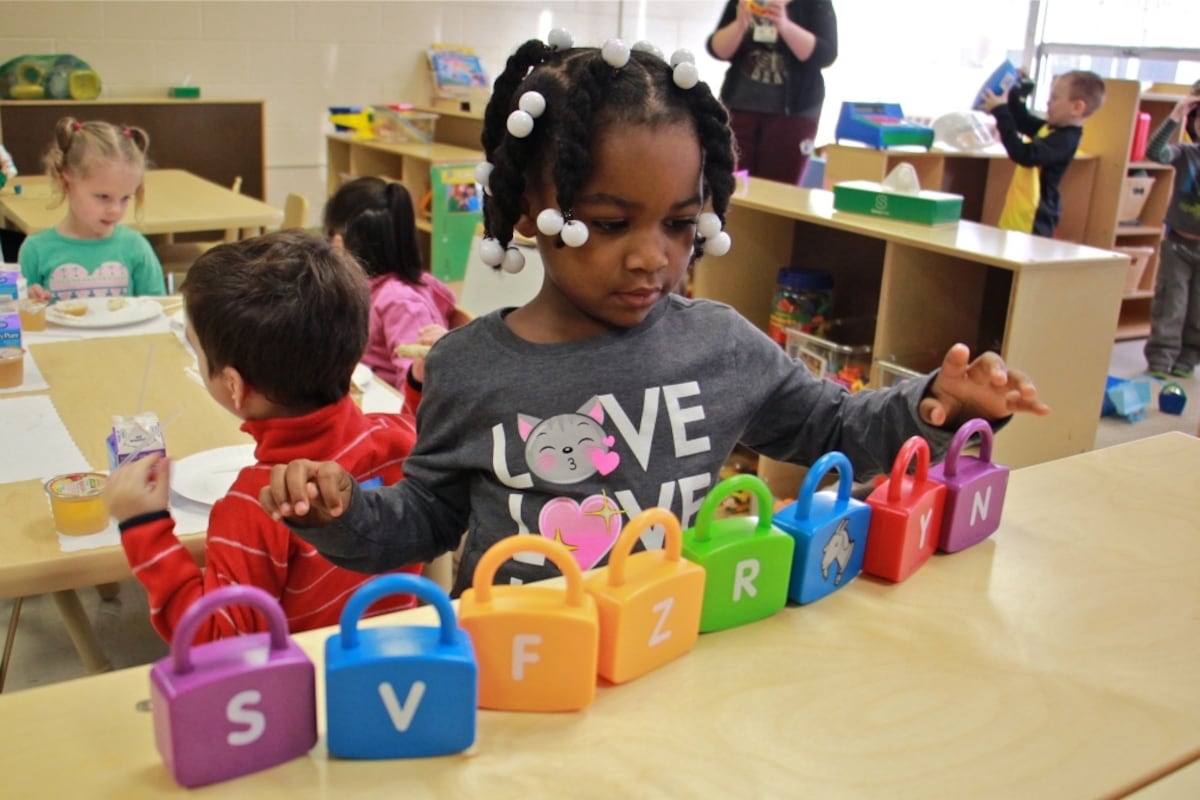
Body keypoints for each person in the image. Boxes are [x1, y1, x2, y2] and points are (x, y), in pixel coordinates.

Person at [258, 31, 1049, 596]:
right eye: (609, 224)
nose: (652, 258)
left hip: (671, 648)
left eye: (679, 223)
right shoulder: (469, 367)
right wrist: (342, 509)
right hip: (519, 663)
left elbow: (834, 430)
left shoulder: (721, 345)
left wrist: (936, 406)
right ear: (531, 211)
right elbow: (424, 519)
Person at [105, 230, 422, 643]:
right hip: (396, 658)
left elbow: (217, 641)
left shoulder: (260, 504)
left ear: (234, 386)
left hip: (308, 687)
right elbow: (425, 439)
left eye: (197, 352)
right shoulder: (398, 438)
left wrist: (143, 525)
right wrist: (416, 388)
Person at [323, 176, 471, 392]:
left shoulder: (401, 302)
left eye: (330, 235)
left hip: (394, 411)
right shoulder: (359, 284)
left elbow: (418, 386)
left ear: (341, 240)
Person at [18, 117, 165, 302]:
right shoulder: (35, 250)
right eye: (103, 197)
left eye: (125, 198)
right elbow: (17, 317)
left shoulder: (136, 247)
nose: (115, 210)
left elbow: (159, 310)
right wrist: (27, 298)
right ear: (66, 183)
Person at [706, 0, 837, 185]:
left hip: (794, 114)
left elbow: (826, 54)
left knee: (779, 187)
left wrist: (784, 25)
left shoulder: (814, 3)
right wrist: (740, 25)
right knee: (731, 182)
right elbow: (716, 49)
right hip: (739, 106)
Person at [980, 69, 1106, 238]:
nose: (1048, 102)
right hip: (1021, 212)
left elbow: (1023, 154)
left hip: (1035, 218)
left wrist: (1000, 111)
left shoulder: (1065, 139)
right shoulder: (1050, 129)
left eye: (1055, 97)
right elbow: (1022, 120)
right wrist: (1017, 88)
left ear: (1077, 107)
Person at [1143, 80, 1200, 380]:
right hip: (1178, 244)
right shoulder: (1186, 153)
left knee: (1197, 312)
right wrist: (1176, 115)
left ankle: (1188, 359)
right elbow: (1155, 152)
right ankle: (1160, 360)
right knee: (1171, 304)